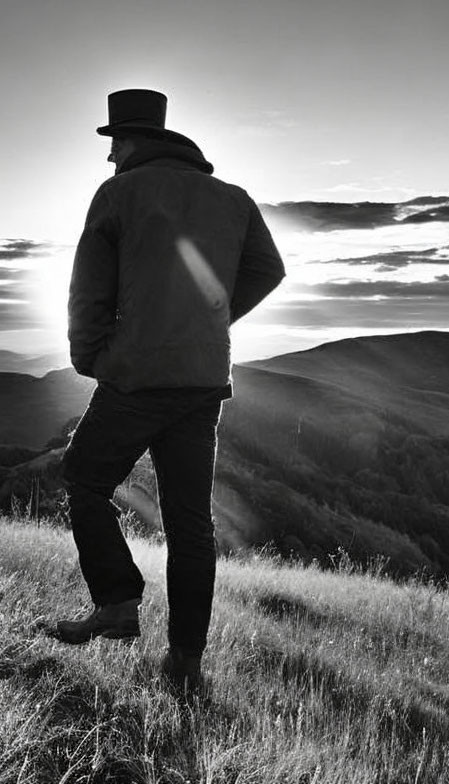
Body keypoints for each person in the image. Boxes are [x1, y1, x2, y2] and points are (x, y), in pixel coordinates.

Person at [53, 88, 285, 697]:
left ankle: (118, 602)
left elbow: (88, 288)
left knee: (83, 478)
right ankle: (185, 661)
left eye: (115, 144)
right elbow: (268, 270)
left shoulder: (120, 194)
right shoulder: (234, 200)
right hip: (203, 380)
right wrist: (209, 318)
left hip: (137, 376)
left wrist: (90, 356)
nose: (109, 158)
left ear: (133, 142)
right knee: (190, 526)